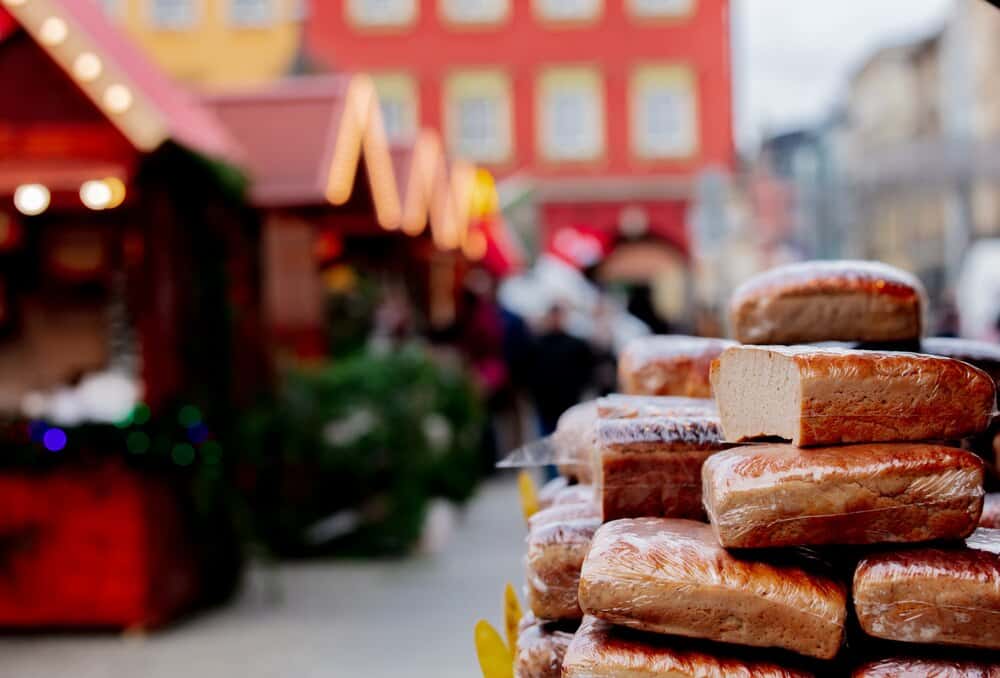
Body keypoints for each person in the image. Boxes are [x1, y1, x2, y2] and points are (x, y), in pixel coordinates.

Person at [528, 303, 595, 437]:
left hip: (569, 401)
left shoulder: (577, 344)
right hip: (545, 404)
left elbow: (587, 371)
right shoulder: (537, 344)